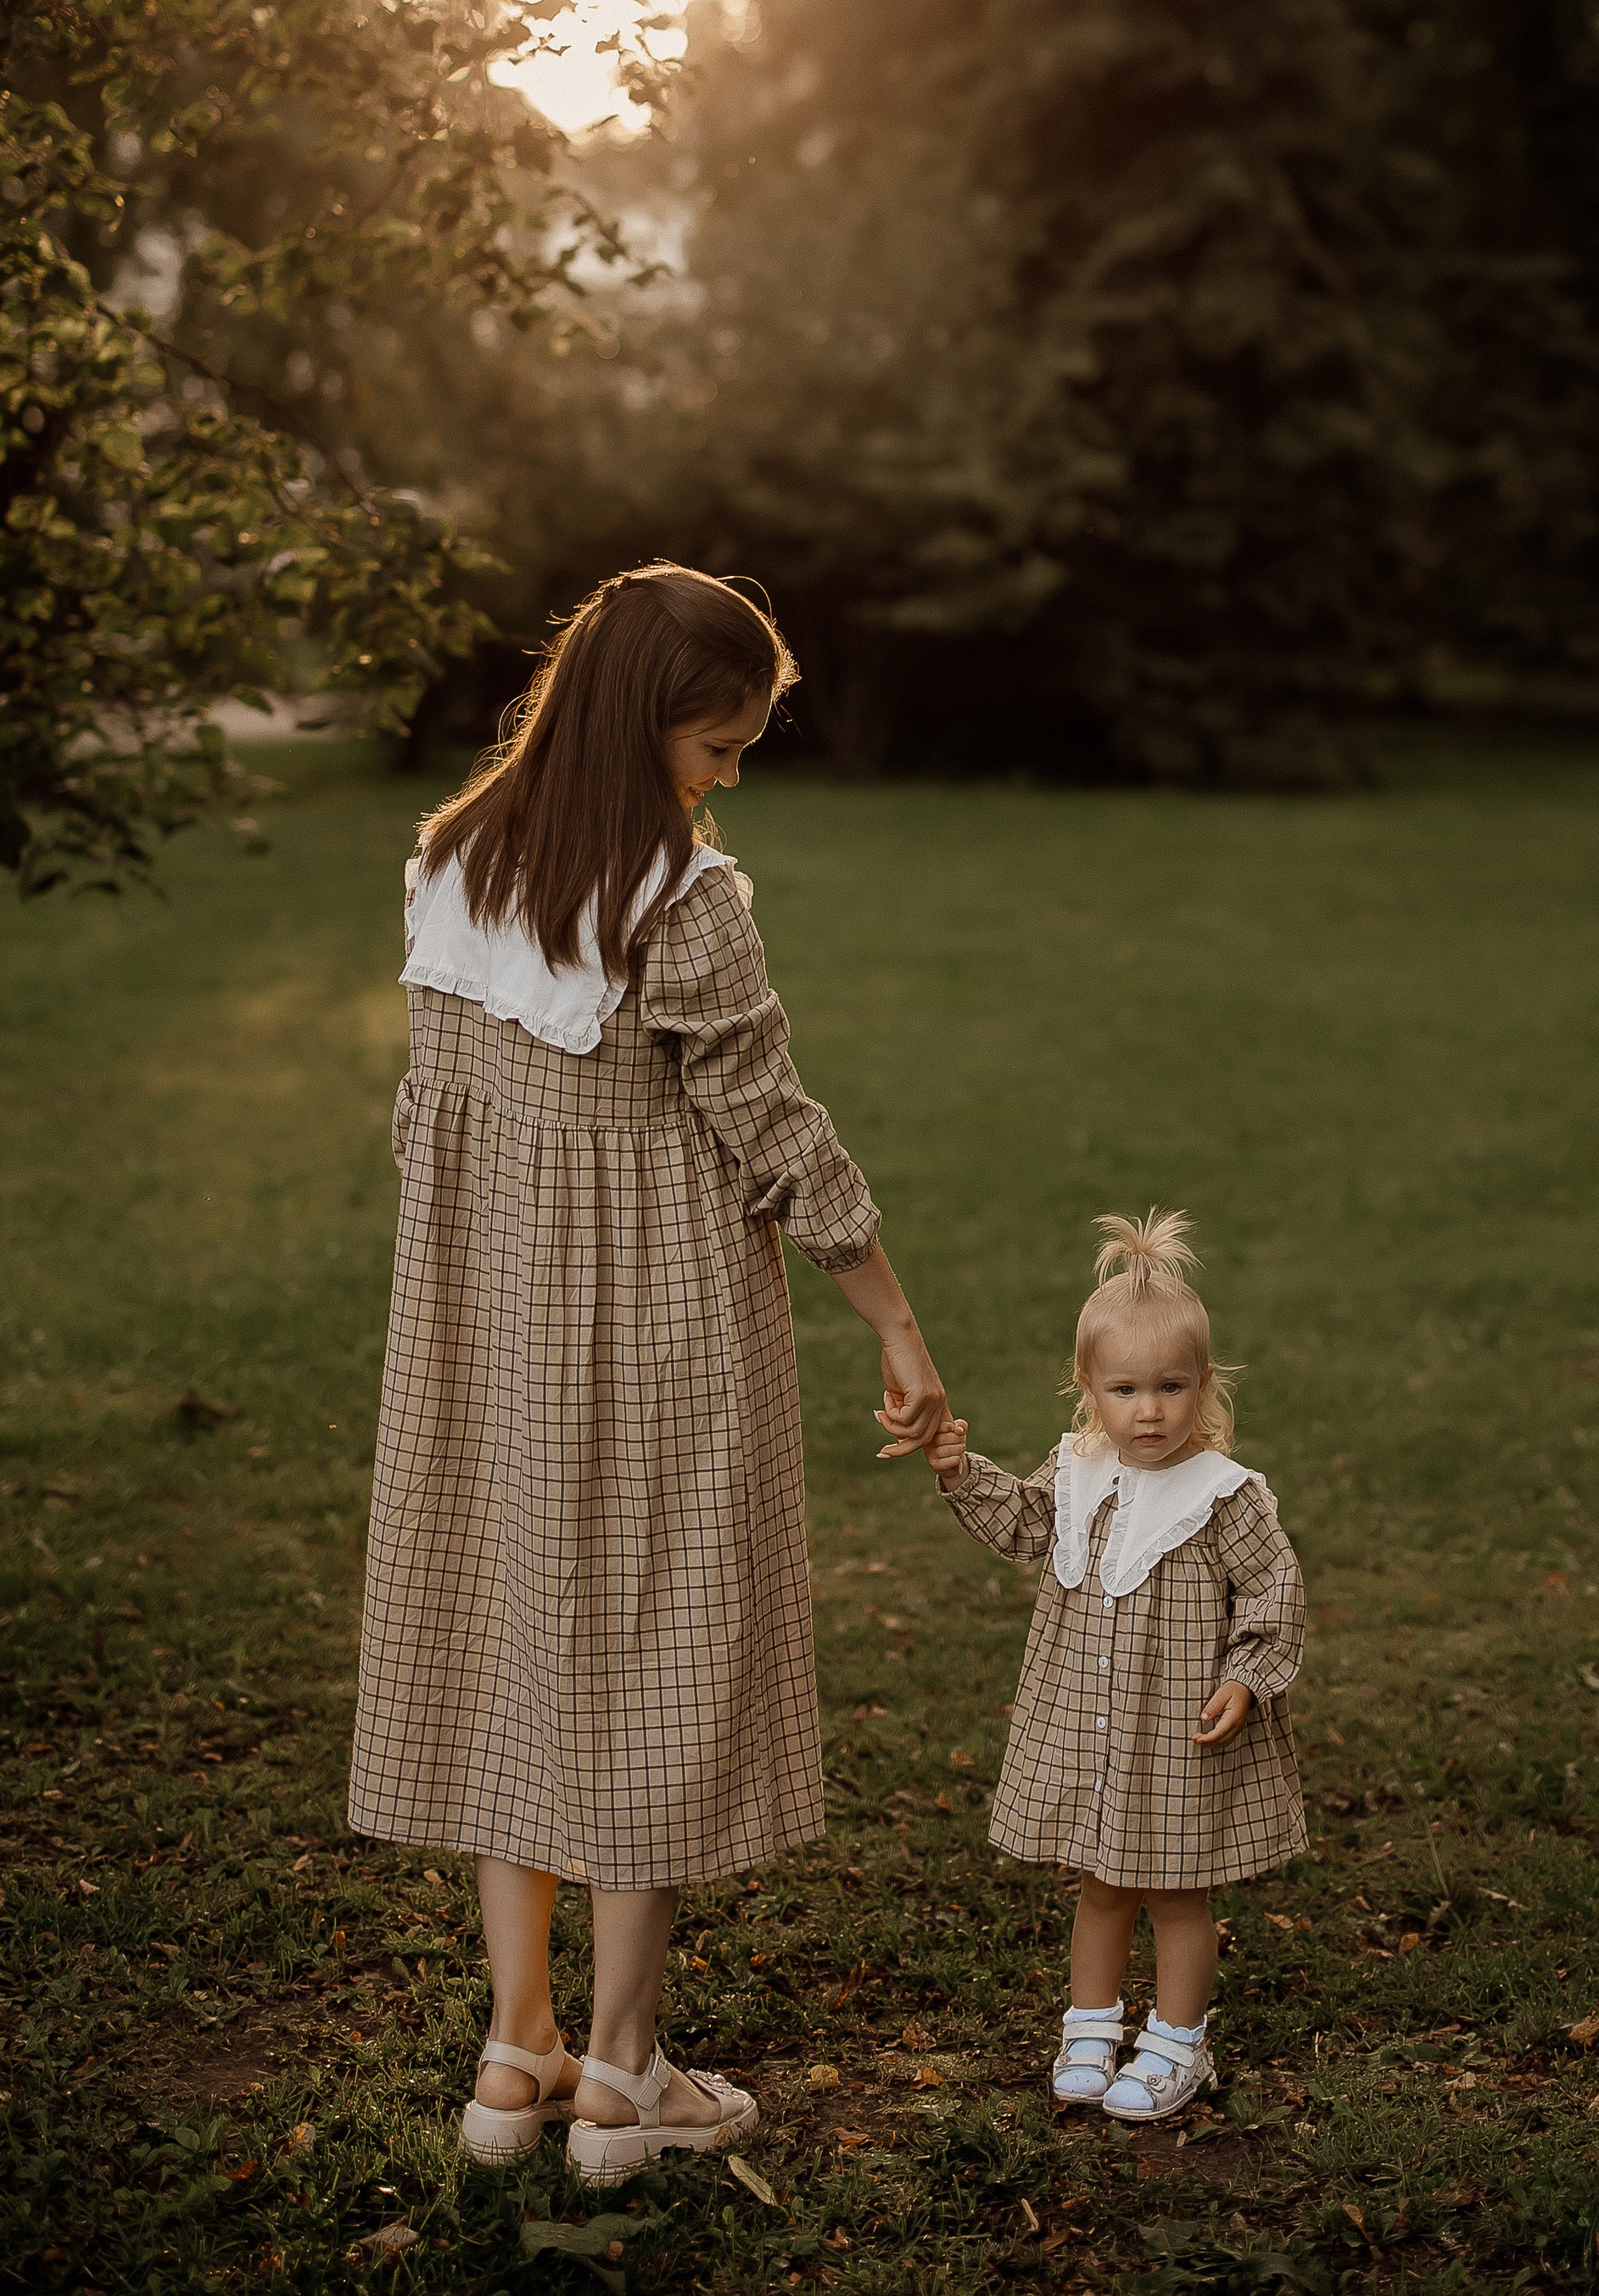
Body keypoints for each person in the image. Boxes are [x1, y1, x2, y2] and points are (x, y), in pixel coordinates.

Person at [348, 563, 948, 2187]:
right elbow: (774, 1131)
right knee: (646, 1664)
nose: (730, 772)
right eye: (720, 740)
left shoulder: (448, 861)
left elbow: (434, 1126)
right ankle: (615, 2077)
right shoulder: (681, 901)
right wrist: (892, 1318)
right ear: (646, 718)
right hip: (656, 1328)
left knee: (510, 1650)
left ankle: (511, 2050)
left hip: (485, 1331)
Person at [923, 1211, 1305, 2125]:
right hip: (1091, 1720)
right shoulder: (1078, 1474)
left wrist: (1247, 1674)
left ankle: (1178, 2039)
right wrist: (956, 1468)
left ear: (1203, 1386)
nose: (1149, 1411)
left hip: (1175, 1730)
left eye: (1171, 1387)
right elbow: (1020, 1525)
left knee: (1176, 1890)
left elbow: (1273, 1590)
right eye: (1126, 1389)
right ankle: (1089, 2027)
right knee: (1100, 1883)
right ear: (1087, 1389)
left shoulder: (1223, 1496)